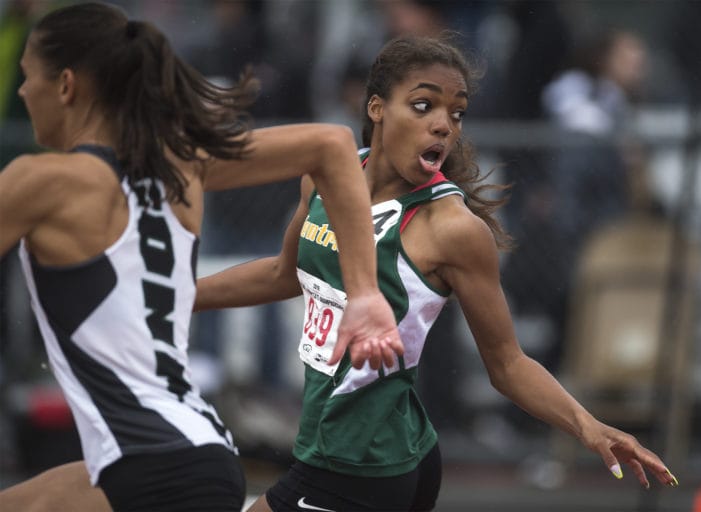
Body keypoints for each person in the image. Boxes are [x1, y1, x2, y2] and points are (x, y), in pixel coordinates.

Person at [195, 35, 680, 512]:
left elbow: (508, 364)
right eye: (424, 105)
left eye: (457, 112)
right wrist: (181, 294)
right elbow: (284, 273)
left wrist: (587, 426)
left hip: (359, 464)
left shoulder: (452, 229)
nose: (444, 125)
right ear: (377, 108)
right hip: (378, 447)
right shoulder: (324, 177)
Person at [0, 3, 402, 511]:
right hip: (202, 454)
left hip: (150, 470)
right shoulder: (181, 168)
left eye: (25, 77)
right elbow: (332, 143)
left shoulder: (41, 182)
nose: (20, 93)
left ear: (64, 85)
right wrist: (363, 293)